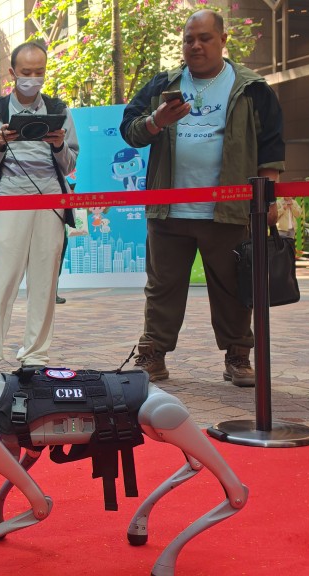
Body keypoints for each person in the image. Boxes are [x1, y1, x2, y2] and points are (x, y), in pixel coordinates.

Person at [120, 9, 285, 387]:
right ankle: (153, 354)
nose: (195, 46)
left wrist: (269, 199)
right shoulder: (163, 83)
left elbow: (271, 144)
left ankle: (238, 357)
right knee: (161, 286)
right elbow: (130, 130)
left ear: (223, 40)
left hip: (227, 209)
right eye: (188, 39)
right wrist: (157, 120)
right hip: (168, 208)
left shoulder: (251, 87)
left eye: (205, 38)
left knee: (232, 286)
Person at [0, 40, 79, 374]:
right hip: (10, 200)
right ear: (12, 72)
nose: (33, 78)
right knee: (2, 279)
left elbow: (70, 162)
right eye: (26, 72)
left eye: (39, 72)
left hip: (50, 203)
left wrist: (60, 145)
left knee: (44, 281)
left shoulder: (59, 110)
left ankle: (35, 354)